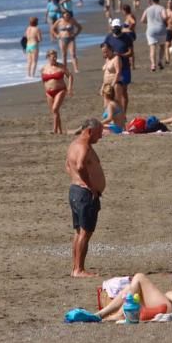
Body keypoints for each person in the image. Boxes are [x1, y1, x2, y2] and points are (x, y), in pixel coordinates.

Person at [66, 118, 105, 277]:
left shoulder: (73, 145)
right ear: (89, 131)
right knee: (85, 232)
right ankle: (79, 269)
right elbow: (81, 166)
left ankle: (75, 267)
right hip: (84, 194)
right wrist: (89, 185)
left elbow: (68, 166)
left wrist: (77, 180)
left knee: (78, 232)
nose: (100, 137)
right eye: (99, 133)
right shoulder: (84, 147)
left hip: (75, 190)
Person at [103, 19, 135, 113]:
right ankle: (112, 111)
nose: (116, 29)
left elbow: (131, 52)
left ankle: (123, 113)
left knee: (123, 91)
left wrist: (120, 55)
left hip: (124, 67)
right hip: (112, 68)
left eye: (117, 27)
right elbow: (105, 51)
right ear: (111, 27)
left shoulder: (127, 37)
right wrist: (106, 62)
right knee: (111, 91)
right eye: (114, 27)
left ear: (121, 27)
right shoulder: (109, 37)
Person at [41, 49, 73, 134]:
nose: (55, 58)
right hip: (48, 92)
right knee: (54, 111)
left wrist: (69, 88)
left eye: (55, 56)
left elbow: (70, 76)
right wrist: (46, 89)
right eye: (53, 57)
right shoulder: (44, 68)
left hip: (60, 90)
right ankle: (60, 130)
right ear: (48, 57)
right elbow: (43, 80)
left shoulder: (61, 66)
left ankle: (54, 130)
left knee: (55, 109)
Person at [140, 0, 168, 71]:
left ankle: (153, 64)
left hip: (151, 29)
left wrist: (148, 22)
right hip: (161, 28)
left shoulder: (148, 9)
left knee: (152, 47)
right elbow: (165, 17)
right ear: (159, 0)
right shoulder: (161, 8)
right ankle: (160, 60)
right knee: (162, 46)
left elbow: (142, 20)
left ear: (152, 0)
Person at [55, 9, 83, 73]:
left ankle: (76, 69)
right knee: (64, 54)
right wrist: (57, 35)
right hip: (62, 39)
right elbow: (53, 29)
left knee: (73, 54)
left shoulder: (72, 20)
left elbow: (79, 27)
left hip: (71, 39)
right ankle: (64, 69)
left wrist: (75, 34)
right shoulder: (59, 21)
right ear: (63, 15)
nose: (67, 15)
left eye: (68, 14)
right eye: (65, 14)